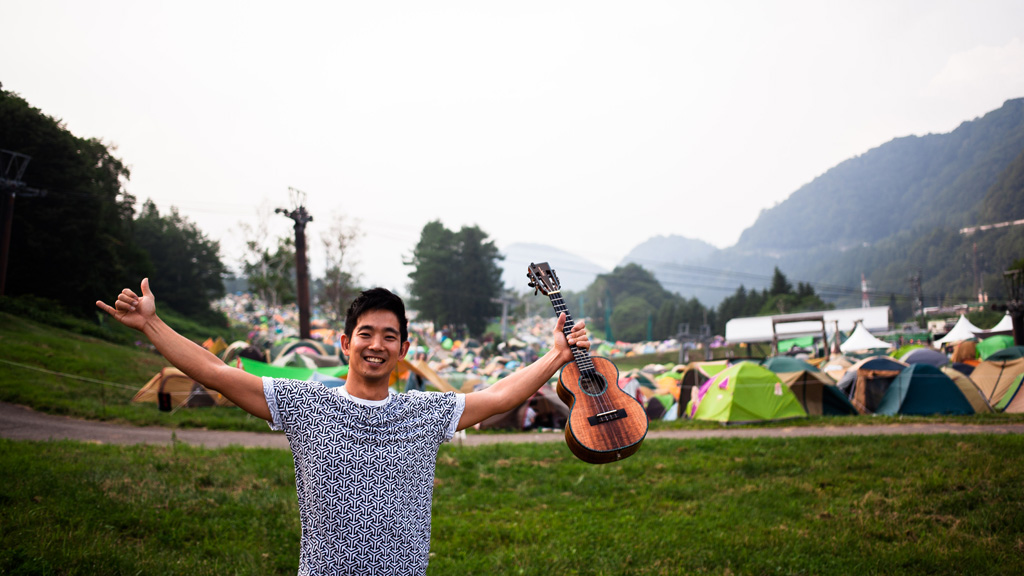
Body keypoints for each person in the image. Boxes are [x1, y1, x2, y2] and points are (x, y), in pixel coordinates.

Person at [96, 278, 588, 576]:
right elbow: (216, 373)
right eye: (365, 333)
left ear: (403, 350)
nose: (376, 345)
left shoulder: (424, 413)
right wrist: (151, 325)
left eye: (389, 336)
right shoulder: (305, 404)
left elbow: (499, 396)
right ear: (345, 343)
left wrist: (556, 355)